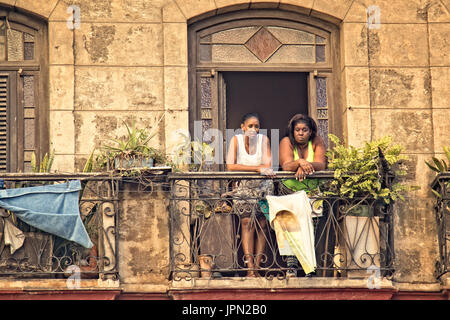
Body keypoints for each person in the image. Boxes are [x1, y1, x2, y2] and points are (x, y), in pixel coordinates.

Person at [277, 114, 327, 277]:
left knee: (310, 229)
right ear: (293, 131)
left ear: (311, 132)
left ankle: (308, 268)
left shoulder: (317, 141)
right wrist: (299, 162)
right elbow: (286, 166)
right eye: (297, 130)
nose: (300, 133)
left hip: (312, 193)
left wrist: (305, 165)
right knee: (290, 228)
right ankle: (291, 267)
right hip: (289, 191)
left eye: (304, 130)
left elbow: (321, 164)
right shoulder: (286, 142)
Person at [226, 113, 274, 277]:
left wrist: (256, 168)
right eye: (250, 126)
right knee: (247, 223)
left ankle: (258, 267)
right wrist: (256, 169)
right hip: (244, 187)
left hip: (263, 187)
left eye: (257, 126)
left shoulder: (264, 140)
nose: (254, 129)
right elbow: (230, 167)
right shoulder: (236, 140)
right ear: (243, 127)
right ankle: (250, 268)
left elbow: (268, 165)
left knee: (262, 225)